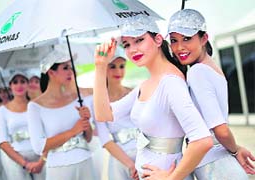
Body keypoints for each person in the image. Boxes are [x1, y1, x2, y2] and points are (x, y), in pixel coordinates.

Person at [93, 15, 214, 180]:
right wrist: (100, 68)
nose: (132, 49)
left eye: (139, 40)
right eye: (127, 44)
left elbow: (202, 140)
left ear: (158, 39)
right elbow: (104, 114)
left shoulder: (171, 83)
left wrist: (171, 178)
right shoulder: (146, 84)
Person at [142, 9, 255, 180]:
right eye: (173, 40)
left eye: (187, 38)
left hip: (217, 169)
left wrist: (236, 149)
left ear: (204, 38)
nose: (179, 47)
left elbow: (221, 130)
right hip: (219, 164)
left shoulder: (198, 72)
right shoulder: (211, 68)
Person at [27, 50, 96, 180]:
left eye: (70, 67)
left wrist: (86, 121)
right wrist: (73, 131)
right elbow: (38, 146)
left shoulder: (77, 99)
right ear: (51, 72)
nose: (71, 71)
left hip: (85, 160)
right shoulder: (35, 106)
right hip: (59, 168)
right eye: (65, 68)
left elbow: (87, 138)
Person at [95, 55, 139, 180]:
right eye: (112, 67)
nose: (118, 71)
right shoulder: (98, 102)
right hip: (121, 160)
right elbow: (105, 140)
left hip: (144, 153)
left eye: (121, 66)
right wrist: (130, 165)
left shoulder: (134, 92)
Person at [0, 71, 45, 180]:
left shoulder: (36, 106)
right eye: (15, 82)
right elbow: (2, 142)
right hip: (15, 158)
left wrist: (41, 161)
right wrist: (25, 163)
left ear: (28, 84)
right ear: (10, 86)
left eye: (23, 81)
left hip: (39, 157)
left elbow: (47, 133)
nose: (19, 85)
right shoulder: (2, 110)